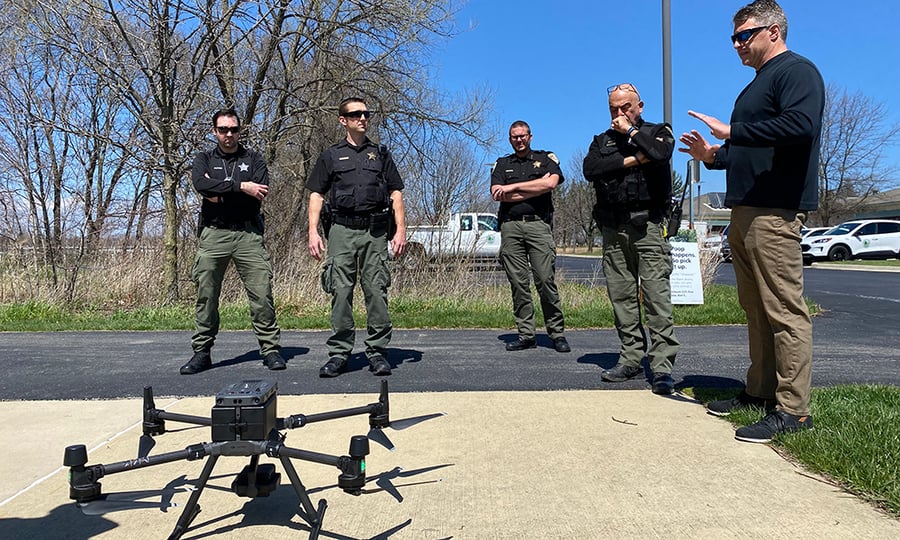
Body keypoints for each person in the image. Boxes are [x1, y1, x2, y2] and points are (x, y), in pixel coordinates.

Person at [678, 0, 824, 442]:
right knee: (755, 307)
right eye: (733, 37)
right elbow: (755, 148)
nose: (736, 44)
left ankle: (794, 410)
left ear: (773, 32)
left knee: (784, 310)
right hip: (743, 211)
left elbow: (800, 126)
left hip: (774, 211)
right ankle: (760, 392)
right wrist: (714, 156)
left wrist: (732, 132)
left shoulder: (796, 72)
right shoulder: (757, 85)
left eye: (744, 35)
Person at [582, 83, 680, 395]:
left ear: (639, 106)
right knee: (622, 298)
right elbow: (591, 169)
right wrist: (633, 160)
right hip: (613, 229)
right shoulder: (602, 141)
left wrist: (633, 135)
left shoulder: (658, 132)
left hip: (647, 228)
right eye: (614, 108)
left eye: (626, 107)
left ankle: (662, 367)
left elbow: (660, 153)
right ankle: (631, 358)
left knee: (655, 297)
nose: (619, 113)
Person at [180, 107, 285, 375]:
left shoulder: (254, 159)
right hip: (214, 234)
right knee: (207, 294)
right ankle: (202, 352)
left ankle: (270, 350)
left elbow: (259, 192)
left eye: (234, 129)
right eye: (223, 130)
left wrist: (222, 190)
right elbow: (202, 187)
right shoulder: (203, 158)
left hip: (249, 234)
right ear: (214, 132)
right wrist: (241, 187)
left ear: (240, 131)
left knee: (262, 294)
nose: (229, 134)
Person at [307, 97, 407, 377]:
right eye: (355, 115)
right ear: (343, 121)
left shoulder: (381, 154)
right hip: (341, 230)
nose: (362, 118)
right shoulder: (330, 156)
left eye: (365, 114)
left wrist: (400, 230)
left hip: (375, 231)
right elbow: (316, 193)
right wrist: (313, 231)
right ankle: (339, 353)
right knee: (340, 291)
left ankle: (377, 352)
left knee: (376, 290)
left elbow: (396, 192)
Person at [491, 121, 569, 353]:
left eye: (522, 136)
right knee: (518, 283)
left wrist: (514, 189)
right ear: (510, 139)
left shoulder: (546, 158)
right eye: (514, 137)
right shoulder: (502, 164)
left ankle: (557, 333)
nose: (519, 140)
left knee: (545, 281)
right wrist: (536, 186)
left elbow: (551, 183)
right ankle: (526, 334)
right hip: (511, 227)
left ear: (530, 136)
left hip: (538, 226)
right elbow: (497, 195)